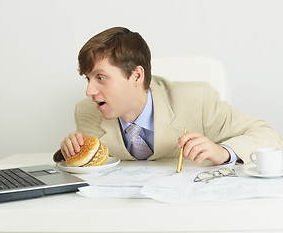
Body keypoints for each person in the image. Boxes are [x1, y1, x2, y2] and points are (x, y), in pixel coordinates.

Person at [54, 26, 282, 165]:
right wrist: (68, 152)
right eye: (88, 79)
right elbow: (93, 163)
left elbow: (268, 134)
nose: (89, 91)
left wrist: (223, 152)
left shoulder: (197, 100)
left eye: (100, 78)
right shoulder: (86, 111)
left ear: (136, 76)